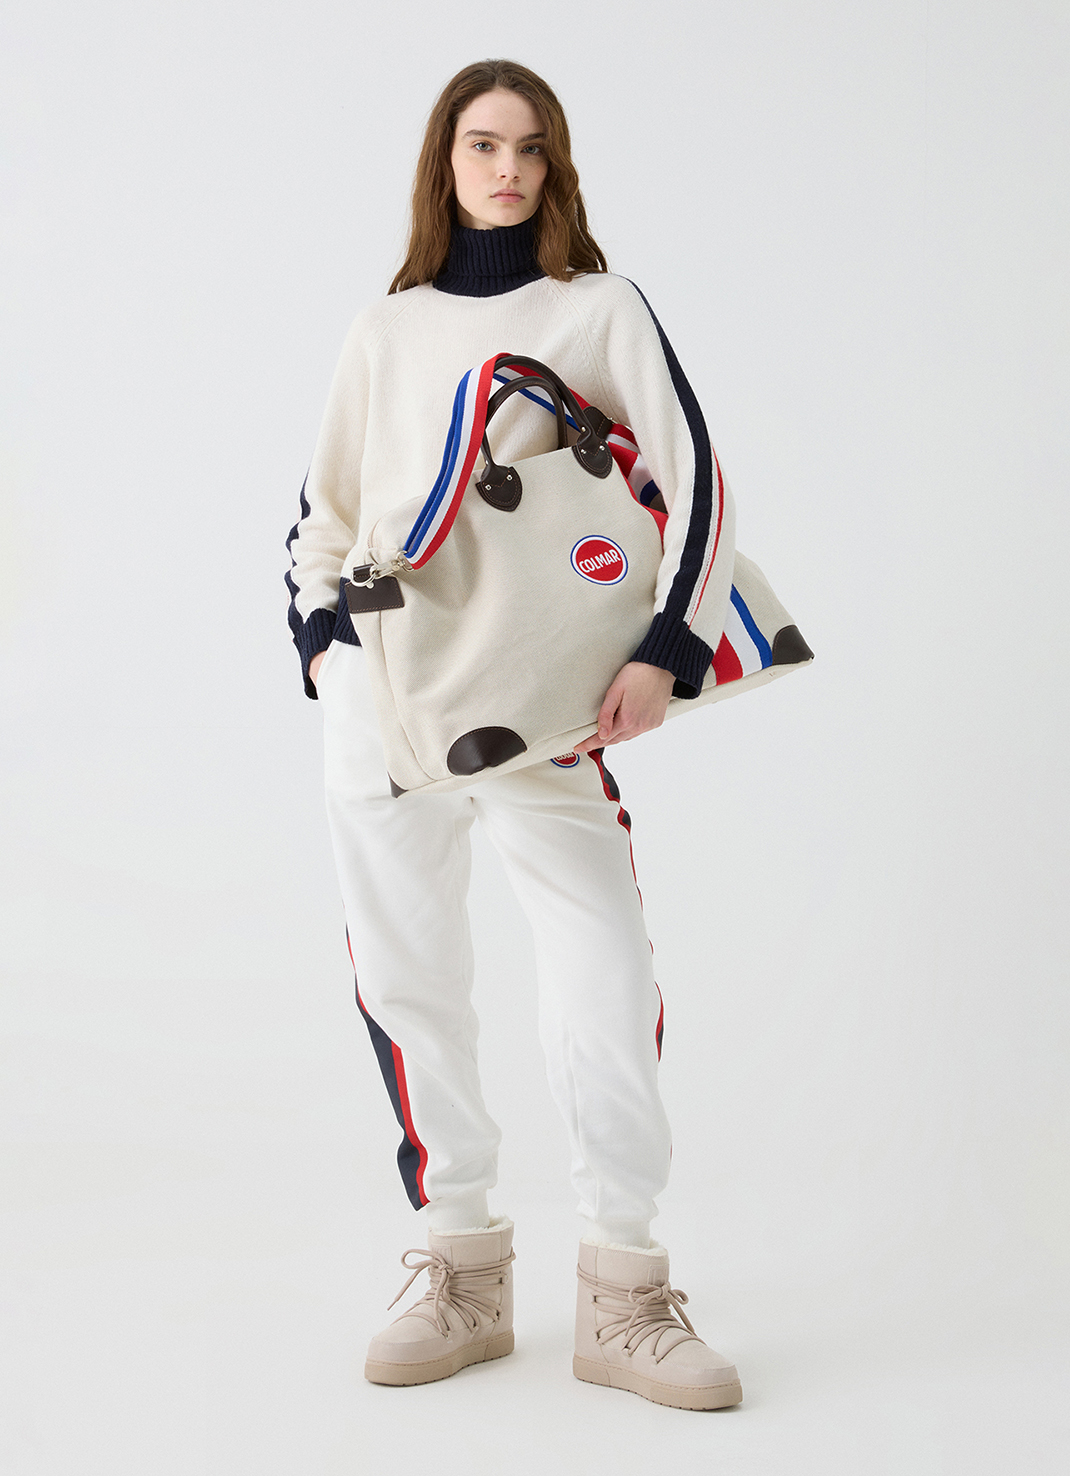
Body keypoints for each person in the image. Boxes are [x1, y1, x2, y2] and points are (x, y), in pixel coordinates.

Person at [285, 59, 742, 1411]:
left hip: (539, 710)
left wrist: (665, 648)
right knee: (408, 975)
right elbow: (320, 511)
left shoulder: (596, 307)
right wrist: (324, 651)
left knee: (601, 965)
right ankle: (460, 1264)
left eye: (531, 149)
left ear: (557, 168)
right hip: (383, 700)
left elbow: (699, 483)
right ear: (445, 160)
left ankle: (624, 1281)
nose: (506, 170)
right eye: (483, 145)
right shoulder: (386, 327)